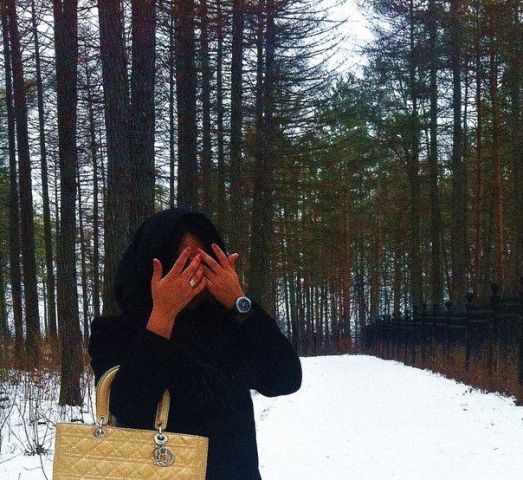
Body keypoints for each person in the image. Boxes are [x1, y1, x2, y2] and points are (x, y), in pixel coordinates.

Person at [88, 207, 302, 479]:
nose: (194, 276)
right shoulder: (116, 332)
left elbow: (284, 379)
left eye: (204, 264)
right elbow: (129, 410)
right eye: (182, 264)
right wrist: (162, 317)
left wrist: (240, 304)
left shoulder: (226, 324)